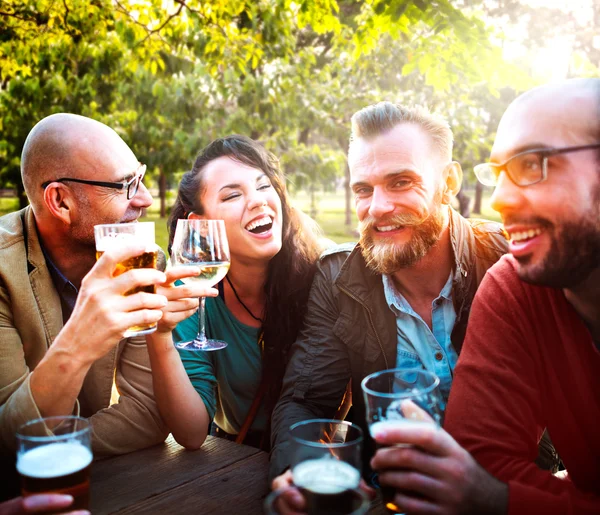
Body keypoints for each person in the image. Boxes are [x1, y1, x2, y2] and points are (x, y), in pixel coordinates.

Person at [364, 78, 600, 515]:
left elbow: (487, 490)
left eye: (532, 165)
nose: (500, 200)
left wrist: (502, 500)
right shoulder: (517, 286)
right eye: (498, 174)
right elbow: (482, 467)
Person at [269, 102, 509, 486]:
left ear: (448, 183)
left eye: (400, 182)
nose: (378, 208)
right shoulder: (337, 279)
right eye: (364, 189)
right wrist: (302, 468)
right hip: (388, 496)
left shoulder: (505, 259)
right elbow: (307, 402)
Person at [0, 113, 172, 459]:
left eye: (140, 177)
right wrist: (79, 342)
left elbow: (149, 415)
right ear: (60, 201)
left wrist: (46, 443)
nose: (146, 199)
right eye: (126, 185)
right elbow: (6, 435)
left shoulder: (140, 261)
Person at [145, 135, 324, 450]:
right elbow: (190, 432)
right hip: (235, 456)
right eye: (232, 196)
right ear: (200, 224)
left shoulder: (321, 277)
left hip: (311, 449)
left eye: (263, 186)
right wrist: (160, 336)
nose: (257, 200)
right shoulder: (189, 296)